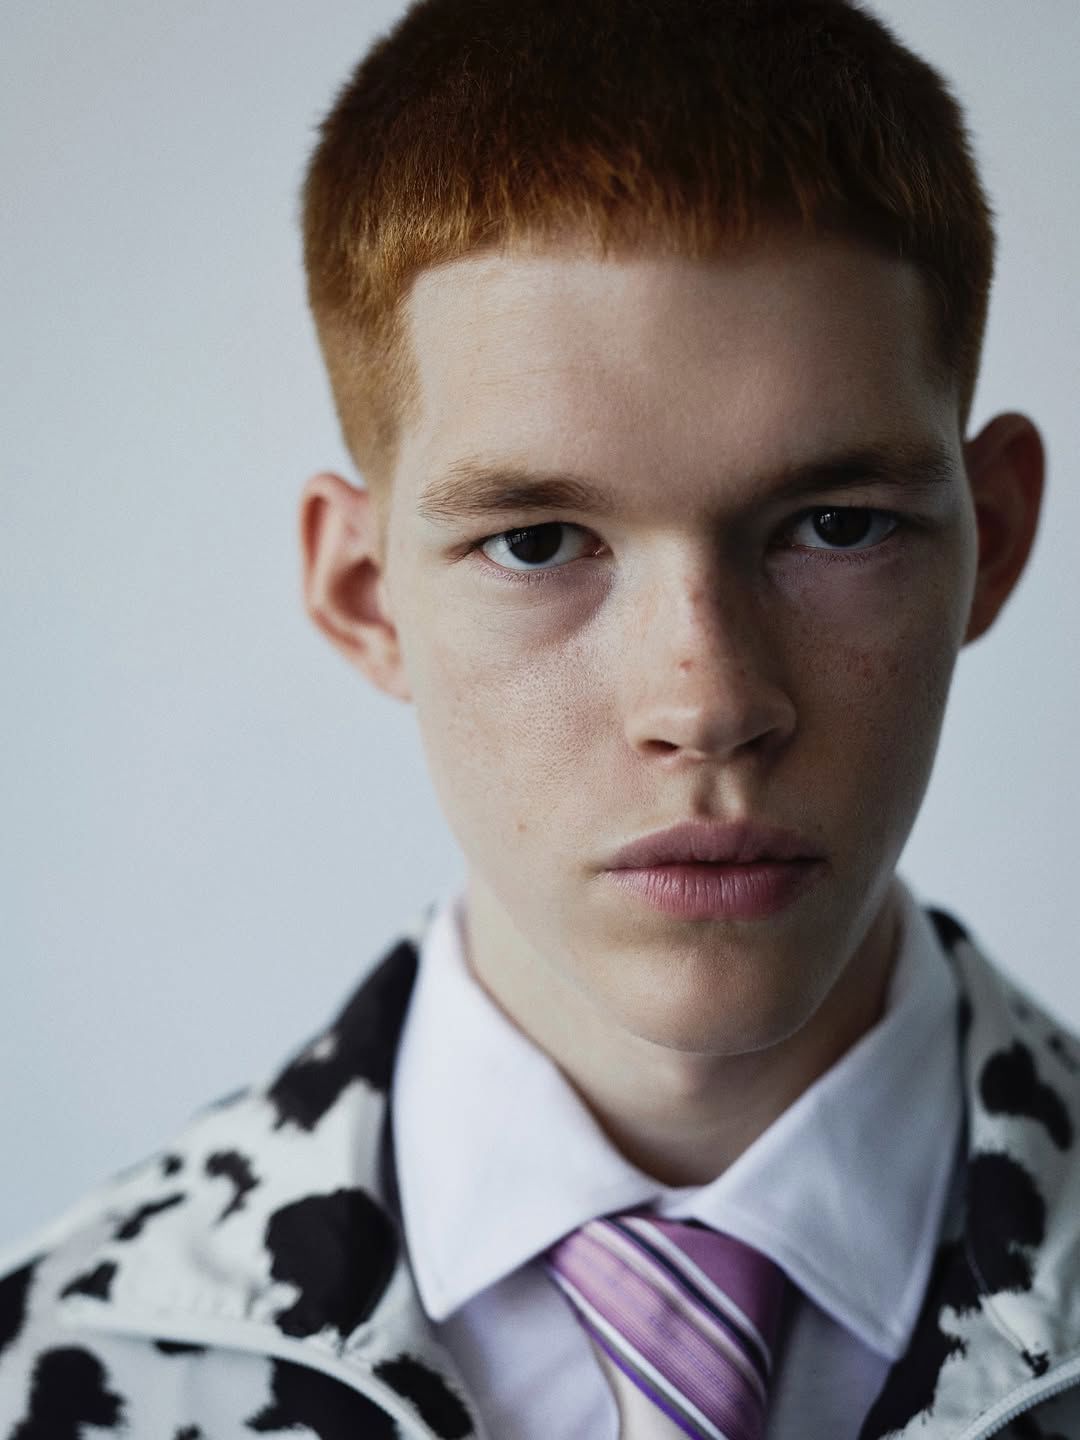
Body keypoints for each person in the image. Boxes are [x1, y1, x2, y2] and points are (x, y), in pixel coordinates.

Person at [0, 0, 1071, 1434]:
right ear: (366, 595)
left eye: (835, 524)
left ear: (993, 540)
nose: (706, 705)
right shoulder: (54, 1383)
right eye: (538, 542)